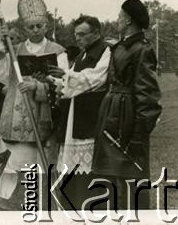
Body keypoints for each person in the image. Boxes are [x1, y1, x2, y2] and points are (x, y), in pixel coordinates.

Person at [0, 0, 68, 209]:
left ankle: (32, 207)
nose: (35, 30)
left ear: (47, 25)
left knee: (35, 170)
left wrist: (38, 86)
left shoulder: (58, 51)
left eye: (39, 25)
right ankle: (9, 207)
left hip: (42, 117)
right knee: (11, 169)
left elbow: (64, 84)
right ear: (25, 27)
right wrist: (1, 47)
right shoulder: (16, 49)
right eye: (30, 26)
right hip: (14, 116)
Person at [92, 0, 162, 210]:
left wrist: (139, 137)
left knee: (131, 177)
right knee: (114, 177)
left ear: (129, 20)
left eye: (120, 16)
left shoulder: (141, 49)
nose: (117, 20)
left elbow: (149, 98)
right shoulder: (121, 46)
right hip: (112, 113)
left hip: (127, 118)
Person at [47, 15, 111, 210]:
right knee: (72, 171)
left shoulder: (105, 51)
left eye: (82, 34)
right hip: (74, 115)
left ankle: (89, 209)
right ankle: (71, 207)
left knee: (87, 169)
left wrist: (66, 76)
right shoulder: (83, 54)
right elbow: (71, 81)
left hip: (90, 117)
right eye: (76, 34)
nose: (77, 38)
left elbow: (95, 78)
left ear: (96, 33)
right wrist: (52, 79)